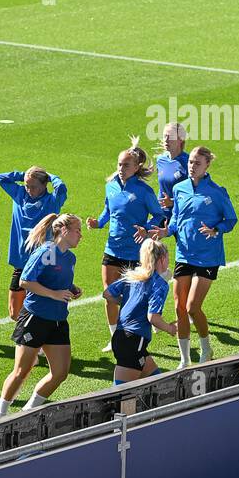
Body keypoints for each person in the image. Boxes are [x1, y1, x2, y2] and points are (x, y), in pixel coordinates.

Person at [0, 213, 83, 416]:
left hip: (58, 320)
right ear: (64, 231)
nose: (81, 235)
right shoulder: (48, 251)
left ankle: (29, 410)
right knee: (22, 371)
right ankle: (0, 415)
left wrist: (71, 288)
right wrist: (54, 294)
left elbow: (54, 276)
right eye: (78, 230)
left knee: (60, 372)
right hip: (35, 318)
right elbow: (25, 281)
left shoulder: (70, 257)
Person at [87, 138, 164, 352]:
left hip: (134, 251)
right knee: (109, 294)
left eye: (126, 165)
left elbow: (158, 215)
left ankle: (136, 325)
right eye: (119, 164)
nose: (121, 168)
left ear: (137, 167)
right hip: (112, 248)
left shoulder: (144, 191)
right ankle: (114, 337)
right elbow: (107, 211)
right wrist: (98, 223)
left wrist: (147, 228)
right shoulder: (111, 185)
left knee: (132, 296)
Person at [165, 146, 237, 365]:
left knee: (192, 307)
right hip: (184, 254)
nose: (192, 166)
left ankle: (206, 349)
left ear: (207, 165)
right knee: (179, 307)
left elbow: (231, 220)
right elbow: (176, 219)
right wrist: (164, 231)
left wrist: (216, 230)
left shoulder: (217, 192)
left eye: (197, 163)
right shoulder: (179, 189)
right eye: (190, 162)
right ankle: (185, 359)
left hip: (207, 256)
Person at [0, 166, 67, 321]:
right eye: (26, 185)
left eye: (33, 186)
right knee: (15, 313)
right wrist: (24, 175)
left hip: (43, 263)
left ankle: (36, 341)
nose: (29, 189)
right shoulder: (19, 195)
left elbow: (61, 188)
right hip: (21, 262)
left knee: (39, 310)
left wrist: (50, 176)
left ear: (44, 185)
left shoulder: (52, 201)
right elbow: (0, 177)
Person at [104, 240, 178, 385]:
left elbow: (107, 294)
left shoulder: (132, 276)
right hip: (134, 340)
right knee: (121, 395)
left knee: (157, 383)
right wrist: (170, 328)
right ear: (162, 259)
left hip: (121, 337)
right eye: (168, 257)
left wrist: (128, 302)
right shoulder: (160, 285)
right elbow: (153, 317)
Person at [155, 122, 189, 229]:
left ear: (180, 139)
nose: (166, 140)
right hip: (162, 214)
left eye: (170, 137)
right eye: (165, 136)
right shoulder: (161, 160)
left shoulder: (188, 163)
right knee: (147, 242)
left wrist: (172, 202)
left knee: (184, 245)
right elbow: (162, 187)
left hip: (181, 214)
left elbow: (195, 193)